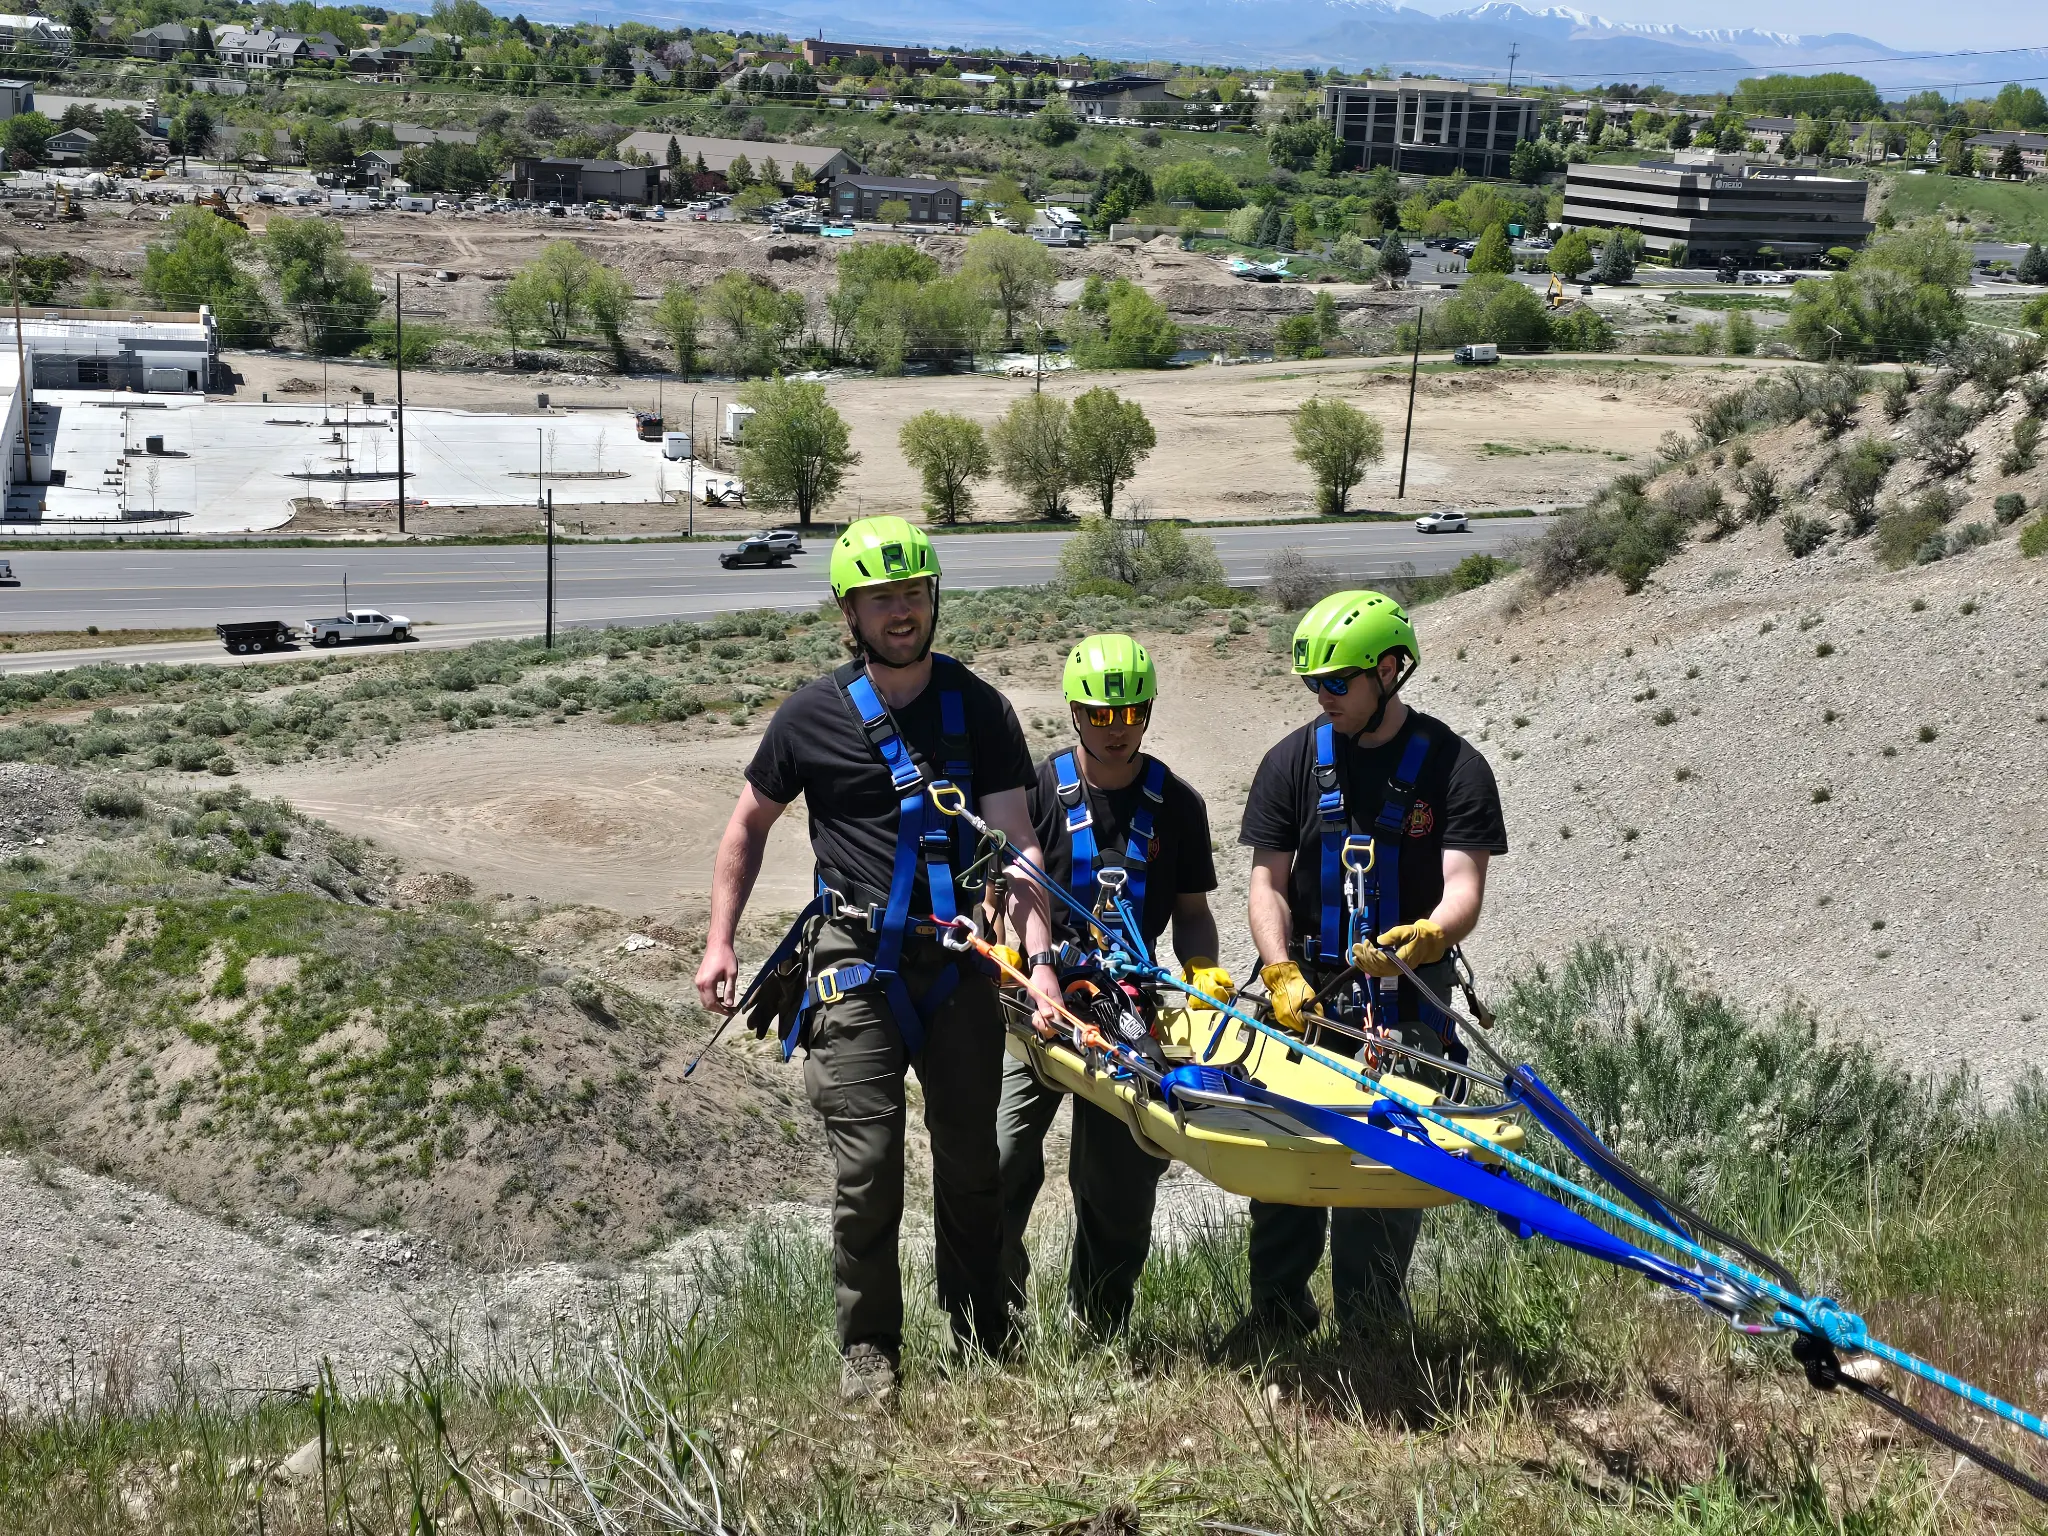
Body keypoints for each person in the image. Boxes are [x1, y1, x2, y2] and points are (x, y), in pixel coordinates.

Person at [695, 516, 1061, 1407]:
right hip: (855, 960)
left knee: (973, 1165)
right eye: (881, 598)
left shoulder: (979, 709)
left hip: (960, 962)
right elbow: (747, 824)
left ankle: (985, 1333)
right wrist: (720, 940)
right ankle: (869, 1353)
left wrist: (1040, 961)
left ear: (933, 598)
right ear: (849, 613)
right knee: (867, 1169)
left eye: (913, 594)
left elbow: (1017, 843)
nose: (902, 612)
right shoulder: (810, 716)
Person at [1237, 590, 1508, 1335]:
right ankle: (1277, 1318)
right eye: (1312, 684)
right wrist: (1279, 970)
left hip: (1408, 1000)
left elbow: (1464, 890)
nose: (1322, 697)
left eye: (1337, 682)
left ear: (1389, 671)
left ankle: (1372, 1332)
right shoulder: (1292, 762)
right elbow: (1266, 883)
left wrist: (1429, 936)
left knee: (1380, 1176)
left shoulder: (1454, 767)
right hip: (1309, 993)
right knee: (1284, 1164)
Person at [995, 634, 1232, 1335]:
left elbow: (1192, 913)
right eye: (1100, 714)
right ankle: (992, 1319)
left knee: (1120, 1182)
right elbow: (1004, 890)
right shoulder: (1036, 792)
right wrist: (1013, 951)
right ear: (1075, 712)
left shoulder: (1177, 805)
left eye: (1130, 713)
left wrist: (1202, 970)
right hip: (1038, 1002)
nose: (1117, 728)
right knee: (1000, 1160)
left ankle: (1098, 1322)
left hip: (1126, 1009)